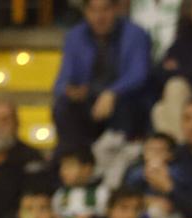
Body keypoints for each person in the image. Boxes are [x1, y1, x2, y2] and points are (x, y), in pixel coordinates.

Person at [52, 0, 152, 148]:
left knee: (126, 106)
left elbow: (138, 74)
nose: (99, 17)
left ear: (117, 9)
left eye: (105, 10)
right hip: (88, 97)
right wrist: (69, 90)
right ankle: (73, 160)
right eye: (93, 11)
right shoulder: (75, 36)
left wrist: (112, 92)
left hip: (125, 98)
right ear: (85, 12)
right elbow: (62, 79)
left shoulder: (136, 34)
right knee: (64, 107)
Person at [53, 146, 109, 218]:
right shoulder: (60, 195)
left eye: (69, 166)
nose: (63, 171)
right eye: (62, 167)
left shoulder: (101, 193)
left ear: (87, 169)